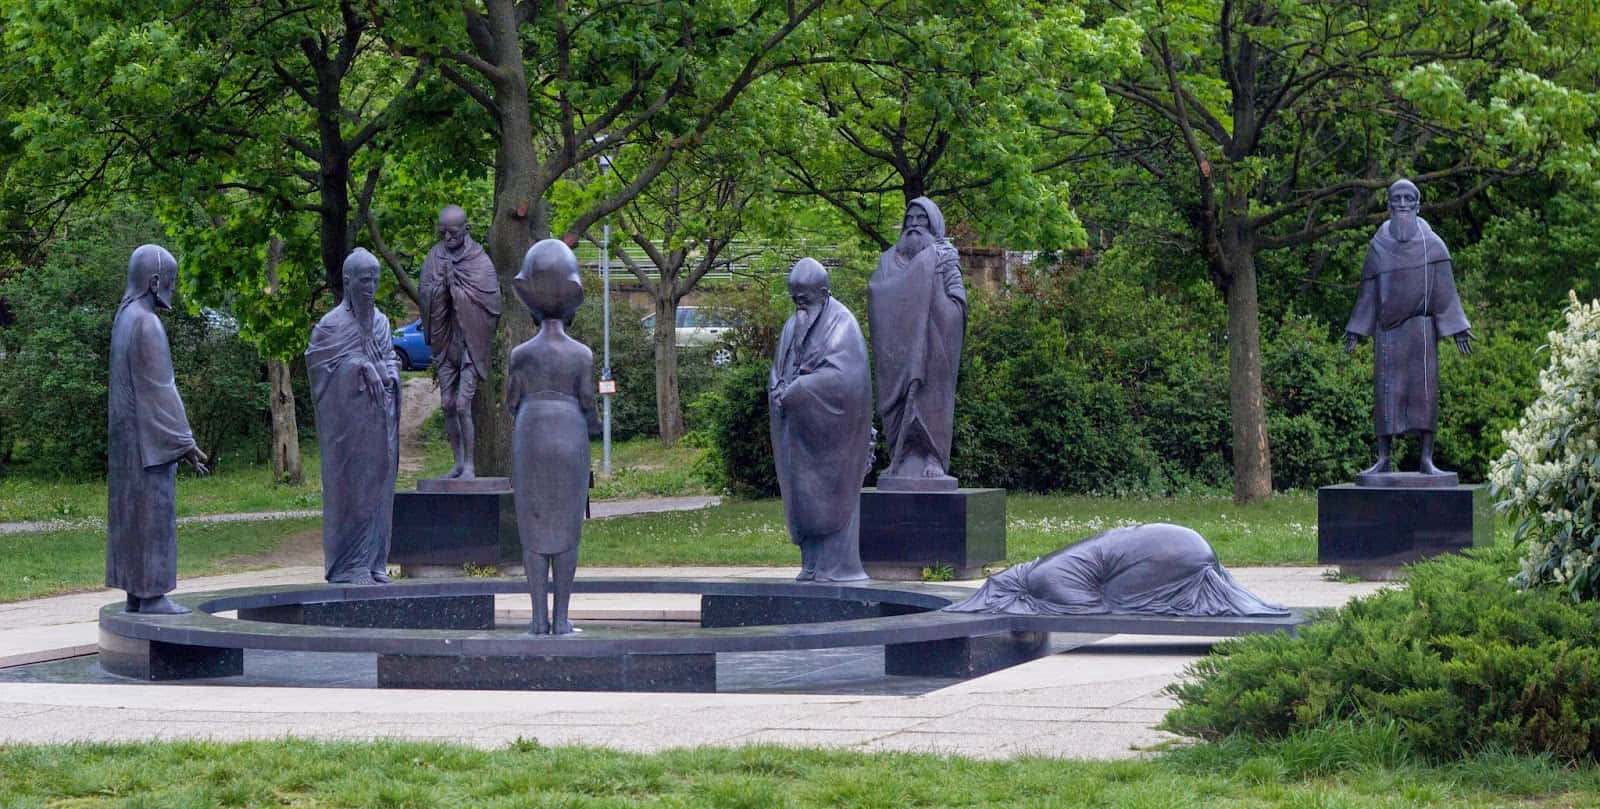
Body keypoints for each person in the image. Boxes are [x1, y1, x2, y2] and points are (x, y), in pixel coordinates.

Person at [1343, 179, 1473, 477]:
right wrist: (1356, 327)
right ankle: (1384, 457)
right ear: (1388, 205)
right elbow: (1368, 293)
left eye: (1407, 199)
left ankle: (1426, 459)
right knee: (1386, 392)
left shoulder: (1434, 246)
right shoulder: (1378, 247)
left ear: (1417, 204)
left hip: (1421, 332)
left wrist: (1457, 327)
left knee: (1424, 392)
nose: (1402, 204)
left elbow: (1446, 292)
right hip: (1388, 333)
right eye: (1396, 199)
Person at [107, 244, 210, 614]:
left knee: (133, 515)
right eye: (169, 281)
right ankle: (151, 594)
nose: (171, 288)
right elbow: (160, 389)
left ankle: (137, 592)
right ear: (154, 281)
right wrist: (185, 443)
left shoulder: (124, 318)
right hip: (149, 445)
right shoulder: (147, 323)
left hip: (128, 444)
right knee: (152, 513)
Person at [507, 239, 601, 634]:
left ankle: (537, 619)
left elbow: (512, 402)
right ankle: (561, 619)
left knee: (532, 526)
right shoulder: (581, 355)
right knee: (566, 527)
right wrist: (591, 426)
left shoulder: (521, 355)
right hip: (569, 436)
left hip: (531, 433)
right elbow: (588, 404)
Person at [770, 258, 872, 582]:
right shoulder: (791, 326)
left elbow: (846, 379)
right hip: (798, 439)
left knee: (831, 500)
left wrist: (801, 388)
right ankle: (811, 565)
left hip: (832, 442)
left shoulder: (843, 325)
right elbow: (777, 368)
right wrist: (776, 388)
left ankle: (836, 569)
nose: (800, 305)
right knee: (802, 501)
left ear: (823, 292)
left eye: (805, 298)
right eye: (795, 298)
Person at [946, 523, 1287, 617]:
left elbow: (1090, 609)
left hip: (1174, 549)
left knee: (1118, 602)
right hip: (1184, 542)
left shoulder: (1042, 577)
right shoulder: (1046, 565)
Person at [307, 249, 400, 584]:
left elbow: (390, 357)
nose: (370, 286)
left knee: (379, 490)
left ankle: (375, 560)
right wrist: (359, 367)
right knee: (352, 491)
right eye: (364, 280)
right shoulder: (330, 326)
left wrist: (389, 373)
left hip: (380, 422)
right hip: (348, 431)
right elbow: (319, 372)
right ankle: (348, 565)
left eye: (375, 279)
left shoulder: (382, 322)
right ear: (347, 282)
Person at [867, 196, 965, 488]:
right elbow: (876, 293)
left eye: (921, 220)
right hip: (896, 349)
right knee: (895, 405)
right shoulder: (887, 261)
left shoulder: (944, 256)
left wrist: (933, 298)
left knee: (931, 398)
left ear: (934, 225)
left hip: (935, 344)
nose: (913, 226)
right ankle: (899, 455)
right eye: (909, 220)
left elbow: (958, 302)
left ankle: (934, 456)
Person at [419, 205, 500, 480]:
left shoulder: (480, 260)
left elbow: (491, 305)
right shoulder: (434, 256)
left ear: (466, 229)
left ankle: (470, 466)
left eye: (452, 232)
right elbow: (425, 295)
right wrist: (441, 289)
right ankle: (456, 463)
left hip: (469, 344)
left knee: (463, 405)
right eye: (442, 232)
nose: (447, 237)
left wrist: (458, 290)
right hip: (445, 341)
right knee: (447, 405)